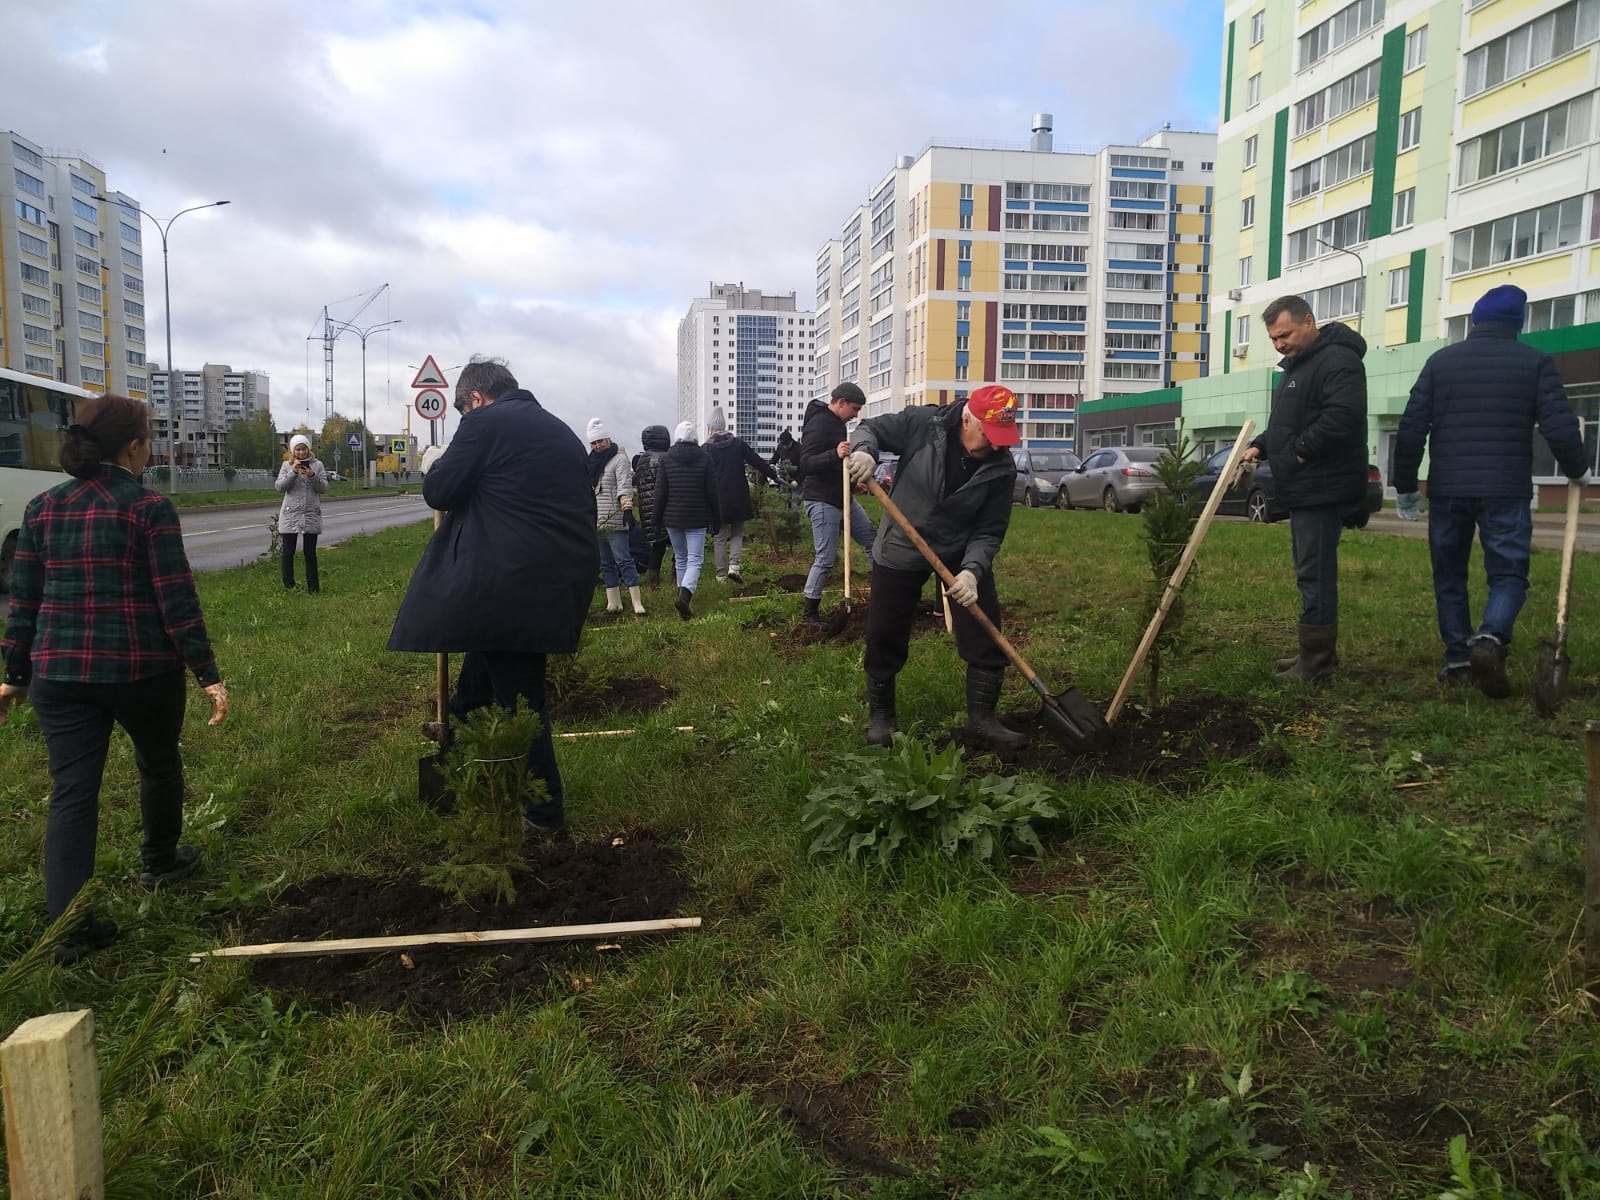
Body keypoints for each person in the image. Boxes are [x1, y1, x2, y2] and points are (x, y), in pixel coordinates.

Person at [0, 395, 229, 963]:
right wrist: (207, 674)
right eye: (149, 440)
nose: (150, 449)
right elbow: (176, 599)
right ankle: (160, 861)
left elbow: (23, 602)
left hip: (58, 674)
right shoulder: (149, 507)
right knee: (157, 762)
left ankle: (68, 932)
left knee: (72, 795)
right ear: (132, 447)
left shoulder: (42, 508)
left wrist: (12, 675)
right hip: (141, 671)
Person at [388, 358, 597, 833]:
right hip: (559, 581)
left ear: (476, 399)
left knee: (522, 703)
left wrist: (436, 463)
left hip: (510, 585)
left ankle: (544, 818)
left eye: (464, 410)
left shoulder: (484, 423)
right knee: (482, 676)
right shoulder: (559, 430)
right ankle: (462, 747)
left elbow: (441, 491)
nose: (466, 418)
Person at [1394, 284, 1590, 696]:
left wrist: (1407, 485)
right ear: (1518, 323)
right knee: (1508, 573)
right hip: (1505, 488)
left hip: (1448, 488)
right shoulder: (1535, 363)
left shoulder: (1441, 362)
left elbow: (1412, 427)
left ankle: (1459, 660)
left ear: (1475, 320)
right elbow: (1558, 424)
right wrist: (1578, 469)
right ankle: (1491, 638)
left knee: (1449, 575)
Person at [845, 385, 1026, 751]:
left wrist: (973, 571)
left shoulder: (1001, 466)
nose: (996, 445)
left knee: (983, 624)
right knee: (885, 629)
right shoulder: (924, 424)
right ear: (967, 419)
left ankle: (982, 720)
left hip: (960, 549)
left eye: (1002, 437)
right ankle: (882, 719)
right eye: (990, 435)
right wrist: (866, 453)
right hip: (902, 542)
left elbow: (990, 529)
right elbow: (871, 428)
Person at [1239, 295, 1369, 683]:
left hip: (1322, 486)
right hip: (1306, 486)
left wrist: (1297, 455)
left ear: (1309, 321)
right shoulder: (1299, 366)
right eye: (1274, 339)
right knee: (1307, 572)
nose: (1279, 344)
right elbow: (1287, 422)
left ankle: (1316, 665)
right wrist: (1261, 444)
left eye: (1285, 335)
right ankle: (1312, 653)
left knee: (1315, 573)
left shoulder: (1337, 361)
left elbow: (1341, 417)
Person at [799, 382, 876, 624]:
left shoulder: (837, 425)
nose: (856, 414)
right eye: (854, 408)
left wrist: (853, 484)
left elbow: (836, 467)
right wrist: (834, 453)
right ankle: (809, 613)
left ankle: (885, 593)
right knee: (825, 557)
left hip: (843, 498)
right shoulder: (819, 424)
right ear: (840, 402)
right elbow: (806, 463)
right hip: (822, 500)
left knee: (872, 540)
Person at [704, 405, 781, 584]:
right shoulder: (738, 444)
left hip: (718, 500)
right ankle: (734, 566)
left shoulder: (706, 449)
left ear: (711, 428)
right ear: (724, 426)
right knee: (737, 533)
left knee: (720, 537)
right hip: (739, 496)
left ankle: (721, 576)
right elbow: (757, 462)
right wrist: (774, 476)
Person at [652, 421, 720, 620]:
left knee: (681, 558)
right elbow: (712, 493)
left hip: (672, 518)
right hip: (697, 517)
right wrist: (717, 519)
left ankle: (683, 599)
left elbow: (660, 492)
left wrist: (656, 520)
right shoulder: (705, 459)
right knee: (695, 560)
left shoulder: (666, 460)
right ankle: (685, 596)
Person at [586, 418, 645, 616]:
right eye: (593, 443)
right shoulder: (590, 463)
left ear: (608, 439)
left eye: (600, 441)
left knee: (624, 560)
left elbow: (624, 485)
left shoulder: (619, 459)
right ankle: (614, 604)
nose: (597, 446)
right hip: (598, 521)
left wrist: (627, 509)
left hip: (616, 519)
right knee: (605, 563)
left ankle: (637, 602)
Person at [275, 433, 329, 593]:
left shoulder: (318, 465)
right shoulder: (286, 466)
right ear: (293, 451)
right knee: (288, 553)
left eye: (303, 449)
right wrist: (293, 472)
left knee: (310, 554)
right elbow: (279, 487)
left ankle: (313, 588)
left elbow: (324, 488)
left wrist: (312, 476)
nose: (301, 453)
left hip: (310, 514)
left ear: (308, 449)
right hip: (290, 514)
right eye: (297, 450)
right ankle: (289, 586)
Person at [632, 425, 673, 589]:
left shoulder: (642, 460)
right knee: (679, 545)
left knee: (657, 546)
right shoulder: (666, 458)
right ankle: (676, 579)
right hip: (667, 509)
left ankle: (653, 582)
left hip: (647, 512)